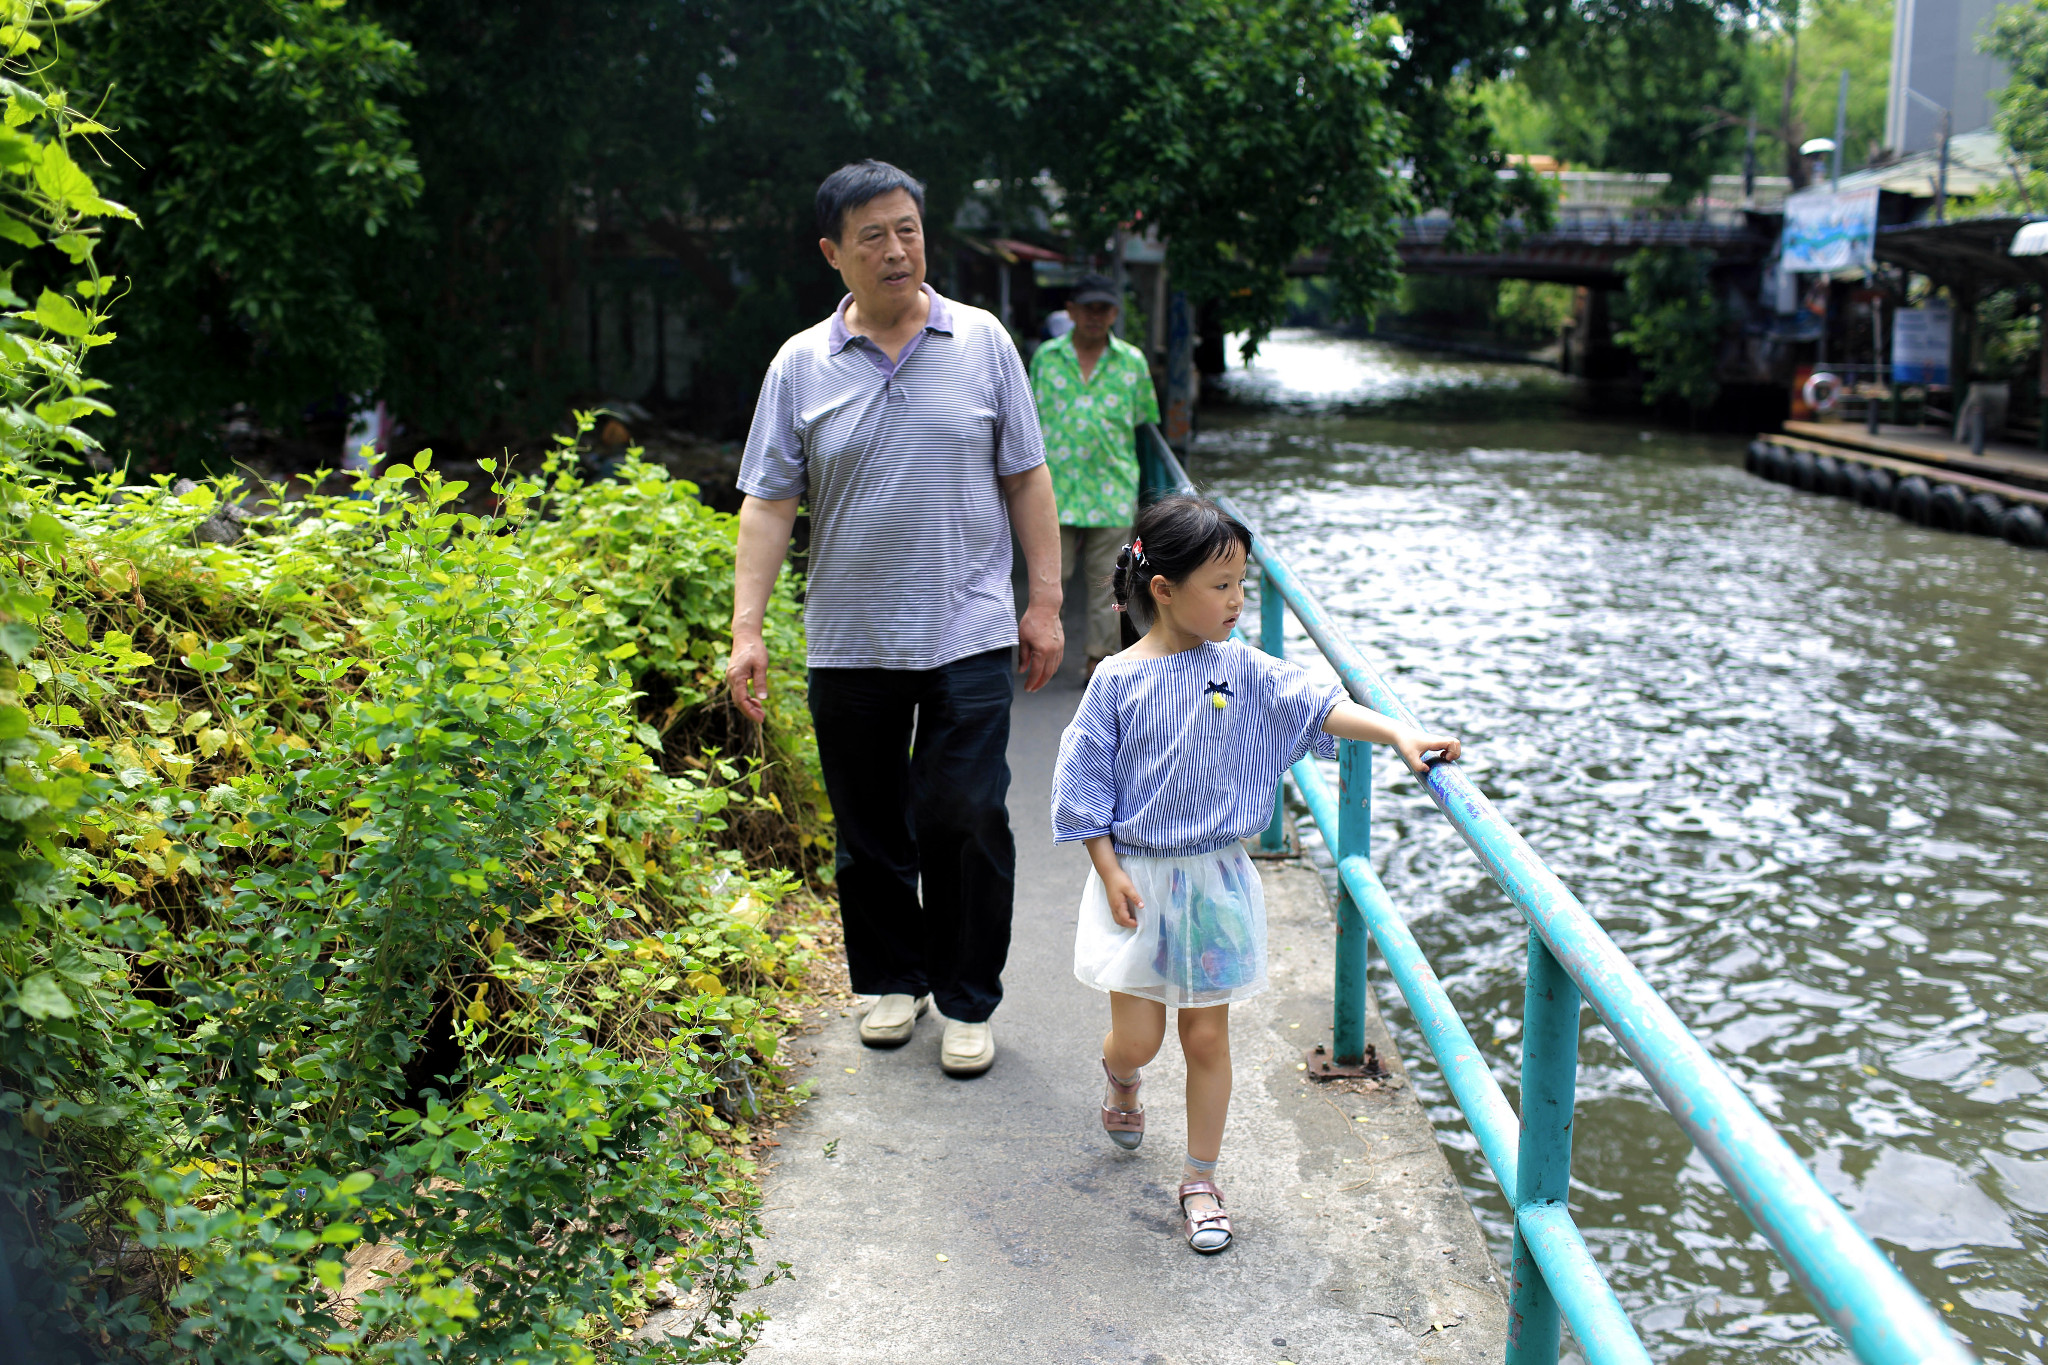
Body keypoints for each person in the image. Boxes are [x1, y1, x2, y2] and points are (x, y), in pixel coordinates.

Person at [1048, 495, 1461, 1253]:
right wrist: (1107, 870)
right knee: (1137, 1037)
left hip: (1214, 881)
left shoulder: (1244, 668)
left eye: (1244, 585)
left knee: (1206, 1037)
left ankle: (1201, 1178)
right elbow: (1083, 790)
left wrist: (1399, 731)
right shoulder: (1115, 681)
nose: (1238, 601)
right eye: (1222, 585)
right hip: (1138, 878)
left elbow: (1321, 705)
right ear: (1164, 588)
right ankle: (1121, 1077)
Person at [726, 160, 1064, 1078]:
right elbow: (767, 503)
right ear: (834, 253)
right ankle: (890, 979)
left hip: (969, 626)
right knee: (869, 823)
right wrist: (746, 629)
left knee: (964, 809)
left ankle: (965, 996)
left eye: (908, 229)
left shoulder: (984, 341)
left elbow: (1027, 476)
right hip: (849, 634)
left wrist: (1044, 600)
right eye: (871, 235)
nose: (895, 249)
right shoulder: (800, 363)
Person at [1029, 273, 1160, 679]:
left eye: (1103, 309)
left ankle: (1097, 660)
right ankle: (1042, 648)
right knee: (1051, 574)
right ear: (1071, 311)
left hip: (1112, 486)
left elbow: (1143, 422)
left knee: (1110, 582)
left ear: (1114, 314)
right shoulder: (1047, 358)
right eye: (1087, 308)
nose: (1094, 317)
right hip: (1054, 488)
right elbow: (1028, 420)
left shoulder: (1132, 361)